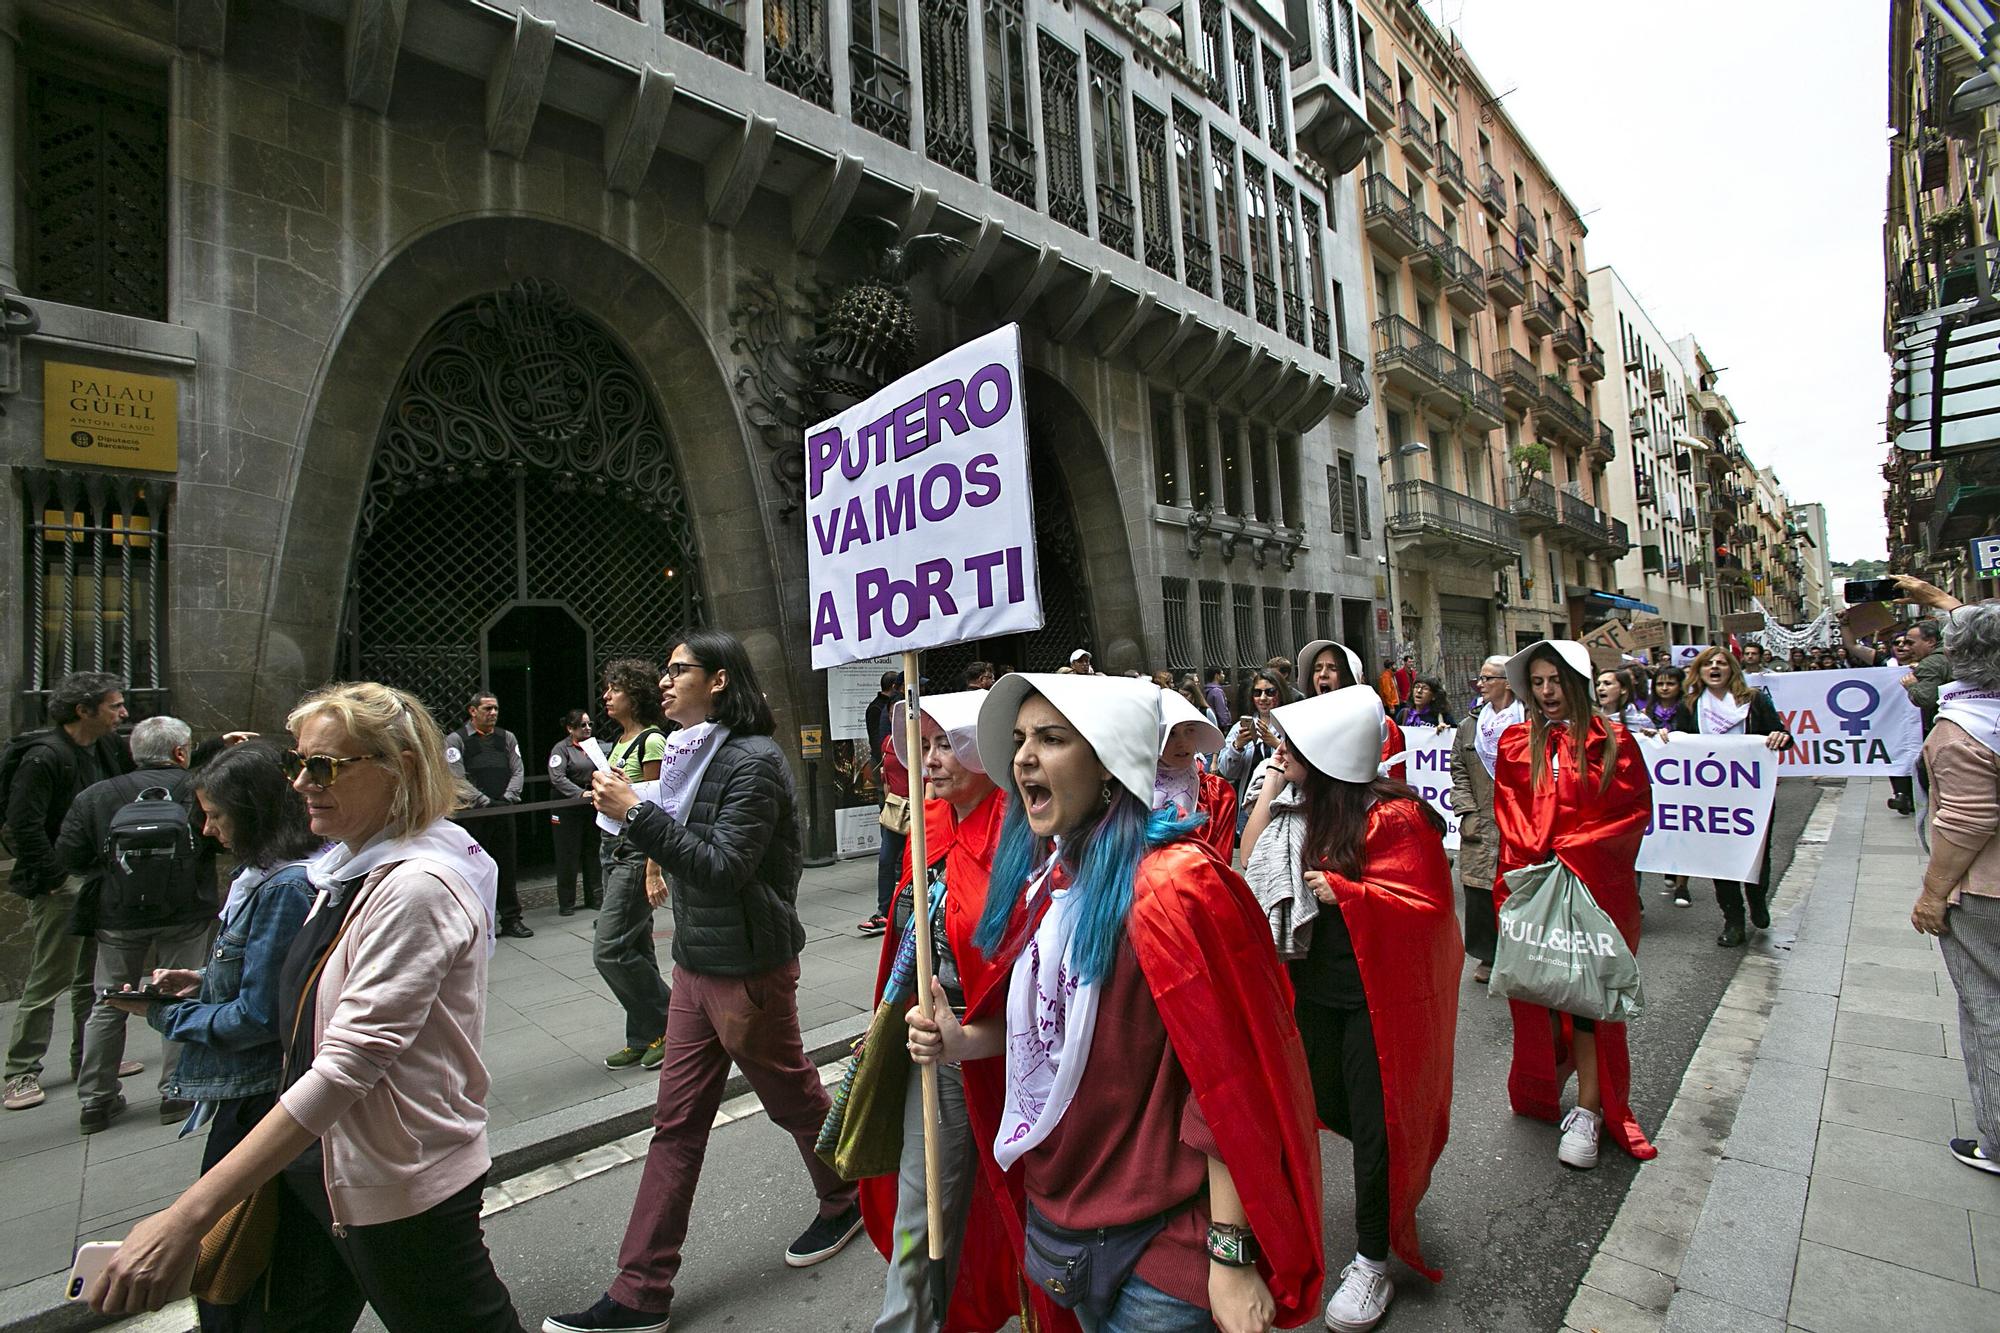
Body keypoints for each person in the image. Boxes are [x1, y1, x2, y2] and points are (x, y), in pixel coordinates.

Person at [85, 681, 520, 1330]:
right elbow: (314, 993)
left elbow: (347, 1063)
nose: (300, 783)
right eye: (297, 762)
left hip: (396, 1181)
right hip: (325, 1167)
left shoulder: (415, 886)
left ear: (398, 767)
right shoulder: (343, 870)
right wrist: (205, 981)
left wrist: (186, 1215)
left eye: (323, 765)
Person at [908, 675, 1325, 1331]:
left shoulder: (1176, 887)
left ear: (1107, 761)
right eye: (1018, 740)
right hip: (1059, 1233)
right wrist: (961, 1040)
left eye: (1051, 738)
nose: (1022, 757)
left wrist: (1230, 1256)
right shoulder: (1044, 880)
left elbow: (1227, 1085)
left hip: (1158, 1256)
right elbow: (1050, 1035)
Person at [552, 631, 859, 1333]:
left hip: (749, 967)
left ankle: (849, 1195)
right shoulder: (689, 754)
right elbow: (679, 848)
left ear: (720, 681)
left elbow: (722, 865)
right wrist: (639, 821)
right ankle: (640, 1291)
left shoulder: (752, 761)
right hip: (695, 964)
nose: (664, 681)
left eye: (679, 669)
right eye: (664, 670)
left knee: (794, 1096)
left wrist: (635, 810)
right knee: (675, 1125)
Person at [1239, 687, 1457, 1331]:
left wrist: (1348, 894)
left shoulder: (1395, 818)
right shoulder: (1293, 803)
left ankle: (1371, 1260)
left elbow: (1428, 910)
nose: (1279, 749)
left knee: (1375, 1122)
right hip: (1309, 993)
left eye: (1291, 744)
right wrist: (1267, 791)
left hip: (1373, 1004)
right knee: (1321, 1103)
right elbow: (1249, 863)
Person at [108, 740, 318, 1332]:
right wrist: (203, 980)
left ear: (252, 811)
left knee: (242, 1253)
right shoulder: (262, 878)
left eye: (216, 816)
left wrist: (164, 1015)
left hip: (258, 1093)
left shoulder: (283, 887)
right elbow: (264, 975)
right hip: (248, 1091)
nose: (206, 830)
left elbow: (260, 1014)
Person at [856, 691, 1022, 1333]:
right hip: (932, 1045)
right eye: (921, 746)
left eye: (944, 743)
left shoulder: (1022, 830)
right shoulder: (925, 825)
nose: (929, 760)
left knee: (1024, 1205)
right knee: (921, 1210)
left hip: (1011, 1051)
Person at [1492, 640, 1657, 1170]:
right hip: (1538, 885)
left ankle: (1590, 1108)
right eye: (1537, 683)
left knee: (1590, 1003)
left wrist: (1575, 854)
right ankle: (1551, 1090)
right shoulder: (1518, 741)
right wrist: (1534, 863)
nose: (1546, 693)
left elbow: (1631, 811)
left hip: (1594, 889)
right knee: (1543, 990)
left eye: (1555, 681)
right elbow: (1512, 812)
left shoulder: (1614, 741)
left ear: (1577, 683)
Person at [61, 715, 222, 1133]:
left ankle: (96, 1100)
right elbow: (219, 838)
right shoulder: (196, 790)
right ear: (180, 752)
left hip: (117, 915)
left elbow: (71, 855)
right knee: (182, 993)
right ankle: (176, 1090)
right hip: (186, 912)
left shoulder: (97, 796)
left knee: (108, 1000)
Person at [3, 671, 132, 1113]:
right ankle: (21, 1071)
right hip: (60, 884)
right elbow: (23, 826)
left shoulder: (105, 748)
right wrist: (59, 879)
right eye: (115, 705)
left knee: (89, 979)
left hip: (95, 877)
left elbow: (147, 765)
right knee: (48, 978)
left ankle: (88, 1059)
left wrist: (212, 747)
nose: (123, 713)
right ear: (84, 710)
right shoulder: (44, 757)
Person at [1909, 603, 2000, 1177]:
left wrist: (1933, 893)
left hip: (1986, 893)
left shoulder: (1962, 730)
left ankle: (1996, 1139)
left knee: (1987, 1009)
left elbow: (1968, 822)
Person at [1671, 647, 1796, 946]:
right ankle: (1733, 919)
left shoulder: (1753, 701)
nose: (1714, 668)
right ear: (1699, 671)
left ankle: (1757, 898)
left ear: (1732, 670)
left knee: (1757, 854)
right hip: (1711, 796)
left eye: (1721, 663)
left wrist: (1781, 738)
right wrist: (1665, 740)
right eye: (1708, 664)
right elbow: (1679, 745)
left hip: (1752, 795)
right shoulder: (1689, 705)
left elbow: (1782, 736)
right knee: (1720, 859)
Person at [594, 659, 670, 1072]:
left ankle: (675, 1020)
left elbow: (656, 808)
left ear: (635, 695)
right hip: (611, 848)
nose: (607, 696)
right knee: (636, 945)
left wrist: (653, 868)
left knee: (609, 949)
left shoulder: (652, 741)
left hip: (635, 854)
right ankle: (644, 1035)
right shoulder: (620, 741)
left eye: (615, 689)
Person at [1452, 656, 1522, 985]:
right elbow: (1459, 770)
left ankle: (1519, 951)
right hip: (1481, 816)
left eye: (1487, 678)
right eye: (1480, 678)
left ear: (1508, 682)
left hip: (1520, 819)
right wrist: (1465, 809)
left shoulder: (1528, 720)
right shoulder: (1470, 725)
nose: (1481, 684)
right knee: (1479, 888)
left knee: (1517, 887)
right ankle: (1487, 954)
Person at [446, 693, 531, 940]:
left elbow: (518, 769)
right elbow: (456, 778)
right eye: (487, 708)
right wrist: (484, 801)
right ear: (473, 711)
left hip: (503, 811)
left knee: (506, 865)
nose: (493, 713)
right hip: (473, 816)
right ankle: (479, 924)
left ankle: (512, 919)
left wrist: (507, 798)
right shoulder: (456, 740)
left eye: (495, 708)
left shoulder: (507, 738)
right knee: (474, 870)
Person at [1296, 640, 1408, 779]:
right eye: (1317, 669)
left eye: (1333, 668)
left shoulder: (1381, 725)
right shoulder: (1302, 724)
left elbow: (1394, 777)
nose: (1323, 674)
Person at [1158, 688, 1235, 865]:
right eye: (1172, 733)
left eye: (1189, 730)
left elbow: (1220, 862)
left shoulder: (1216, 792)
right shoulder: (1133, 788)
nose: (1182, 742)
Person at [548, 710, 603, 916]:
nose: (587, 729)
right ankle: (567, 902)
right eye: (582, 725)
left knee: (593, 849)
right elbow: (557, 778)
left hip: (590, 802)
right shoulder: (561, 749)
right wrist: (580, 793)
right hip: (568, 803)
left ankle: (595, 897)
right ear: (570, 728)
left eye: (589, 724)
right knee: (568, 852)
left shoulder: (594, 747)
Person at [1219, 669, 1287, 833]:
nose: (1263, 698)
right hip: (1249, 807)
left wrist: (1276, 743)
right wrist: (1237, 747)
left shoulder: (1290, 724)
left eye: (1270, 692)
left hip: (1282, 806)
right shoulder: (1239, 729)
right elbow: (1227, 772)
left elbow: (1302, 765)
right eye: (1257, 692)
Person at [864, 725, 911, 937]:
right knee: (886, 860)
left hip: (917, 808)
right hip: (894, 808)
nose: (894, 717)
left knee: (912, 864)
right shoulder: (889, 742)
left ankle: (911, 910)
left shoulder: (920, 739)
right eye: (892, 714)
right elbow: (885, 774)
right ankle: (882, 912)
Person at [1593, 668, 1648, 733]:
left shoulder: (1641, 720)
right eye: (1598, 684)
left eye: (1607, 683)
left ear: (1623, 689)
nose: (1600, 688)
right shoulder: (1592, 717)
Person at [1203, 666, 1235, 731]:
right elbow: (1221, 709)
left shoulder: (1209, 689)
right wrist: (1226, 724)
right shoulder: (1217, 691)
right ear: (1217, 676)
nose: (1224, 676)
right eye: (1222, 673)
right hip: (1220, 725)